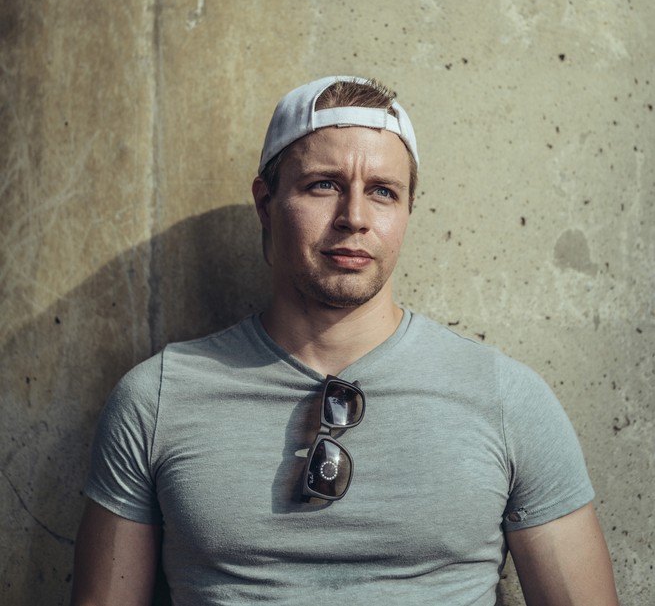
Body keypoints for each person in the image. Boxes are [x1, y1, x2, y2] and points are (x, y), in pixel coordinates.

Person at [71, 75, 620, 606]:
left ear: (407, 211)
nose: (354, 217)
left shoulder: (506, 400)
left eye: (382, 192)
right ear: (265, 202)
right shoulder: (158, 399)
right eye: (324, 185)